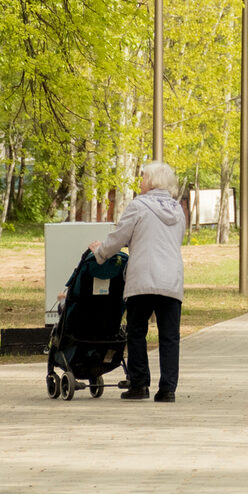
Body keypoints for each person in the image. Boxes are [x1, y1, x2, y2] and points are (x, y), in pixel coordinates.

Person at [90, 160, 186, 402]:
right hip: (171, 280)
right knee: (170, 336)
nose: (140, 182)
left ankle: (140, 384)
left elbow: (118, 236)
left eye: (143, 178)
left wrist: (100, 253)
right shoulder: (177, 210)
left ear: (152, 182)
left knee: (136, 332)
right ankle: (168, 390)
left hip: (142, 278)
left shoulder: (139, 206)